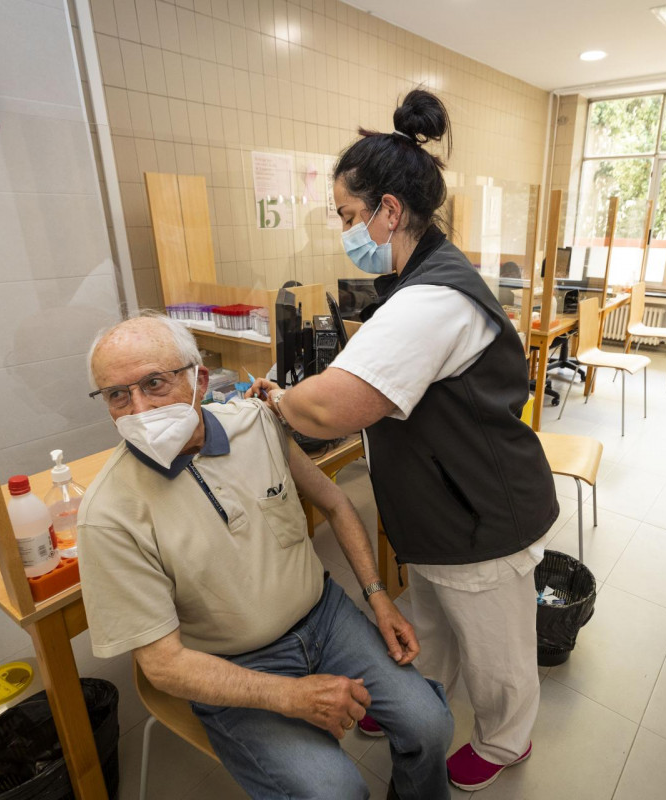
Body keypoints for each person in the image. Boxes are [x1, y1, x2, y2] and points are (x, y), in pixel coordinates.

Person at [248, 89, 559, 792]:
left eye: (350, 216)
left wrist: (280, 399)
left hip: (480, 509)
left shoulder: (435, 298)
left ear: (390, 211)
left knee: (496, 647)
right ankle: (424, 701)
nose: (347, 232)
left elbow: (334, 407)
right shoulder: (417, 280)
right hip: (436, 506)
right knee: (436, 620)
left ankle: (509, 740)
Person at [77, 314, 453, 800]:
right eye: (117, 395)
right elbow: (164, 666)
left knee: (430, 727)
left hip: (327, 618)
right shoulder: (109, 513)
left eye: (154, 383)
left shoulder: (255, 424)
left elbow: (336, 503)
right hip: (233, 666)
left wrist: (378, 598)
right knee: (333, 793)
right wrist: (289, 696)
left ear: (199, 380)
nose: (140, 408)